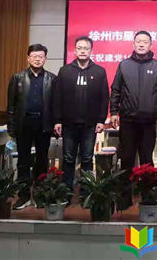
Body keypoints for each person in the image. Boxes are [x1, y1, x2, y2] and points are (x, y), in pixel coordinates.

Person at [110, 31, 157, 210]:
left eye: (145, 42)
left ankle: (148, 197)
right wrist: (114, 112)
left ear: (151, 45)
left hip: (148, 121)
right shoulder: (124, 65)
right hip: (128, 120)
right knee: (126, 159)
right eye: (138, 41)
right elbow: (116, 90)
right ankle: (124, 198)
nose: (141, 44)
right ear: (133, 44)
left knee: (146, 160)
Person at [53, 36, 109, 200]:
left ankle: (86, 193)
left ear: (91, 51)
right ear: (75, 50)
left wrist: (101, 120)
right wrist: (57, 120)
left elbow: (104, 97)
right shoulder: (65, 71)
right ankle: (66, 192)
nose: (83, 51)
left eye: (86, 48)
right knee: (68, 159)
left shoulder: (99, 71)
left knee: (87, 158)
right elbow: (57, 97)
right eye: (80, 48)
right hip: (69, 124)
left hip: (89, 124)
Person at [7, 44, 57, 210]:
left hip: (44, 124)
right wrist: (11, 127)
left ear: (45, 59)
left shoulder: (52, 79)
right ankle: (23, 196)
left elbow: (56, 105)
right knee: (23, 161)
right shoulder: (17, 78)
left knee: (42, 160)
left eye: (41, 56)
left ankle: (40, 194)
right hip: (24, 124)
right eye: (34, 56)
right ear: (28, 58)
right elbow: (11, 105)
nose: (37, 59)